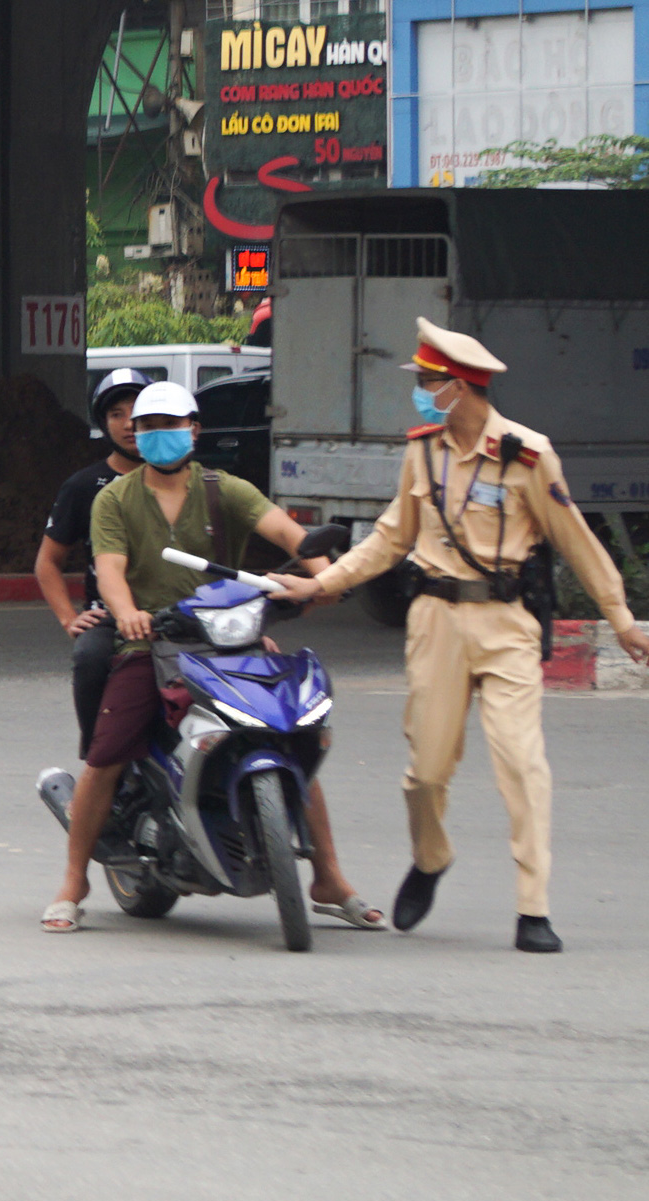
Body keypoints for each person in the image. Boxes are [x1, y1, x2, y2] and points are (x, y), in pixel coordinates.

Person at [270, 319, 649, 953]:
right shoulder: (422, 451)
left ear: (460, 387)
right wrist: (321, 582)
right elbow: (392, 537)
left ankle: (533, 908)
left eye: (426, 382)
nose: (419, 392)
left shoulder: (528, 455)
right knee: (427, 772)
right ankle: (431, 856)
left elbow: (576, 540)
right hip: (435, 623)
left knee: (523, 764)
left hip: (506, 625)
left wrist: (621, 619)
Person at [44, 381, 380, 934]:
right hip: (150, 643)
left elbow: (293, 537)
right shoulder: (114, 498)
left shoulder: (228, 491)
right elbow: (109, 568)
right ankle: (73, 881)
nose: (157, 436)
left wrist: (325, 580)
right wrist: (126, 612)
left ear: (194, 430)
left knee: (287, 737)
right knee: (105, 755)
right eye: (147, 427)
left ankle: (329, 878)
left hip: (229, 638)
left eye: (170, 425)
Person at [37, 369, 149, 757]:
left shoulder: (189, 481)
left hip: (179, 612)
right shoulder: (85, 486)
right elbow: (48, 562)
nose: (129, 423)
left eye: (138, 411)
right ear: (103, 423)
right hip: (110, 620)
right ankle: (97, 755)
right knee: (90, 657)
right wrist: (70, 619)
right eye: (116, 414)